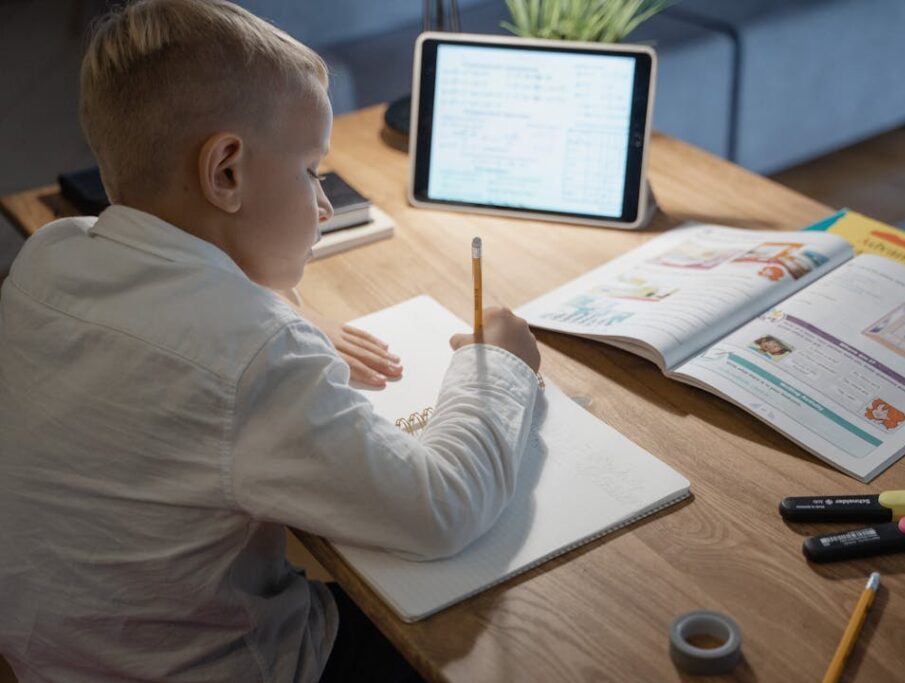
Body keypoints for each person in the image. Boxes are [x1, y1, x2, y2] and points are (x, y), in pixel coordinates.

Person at [0, 1, 542, 681]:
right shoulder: (257, 357)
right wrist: (500, 366)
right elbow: (442, 506)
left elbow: (193, 323)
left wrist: (279, 312)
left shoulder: (49, 254)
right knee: (487, 635)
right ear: (225, 171)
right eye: (311, 169)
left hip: (61, 658)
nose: (322, 205)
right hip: (229, 667)